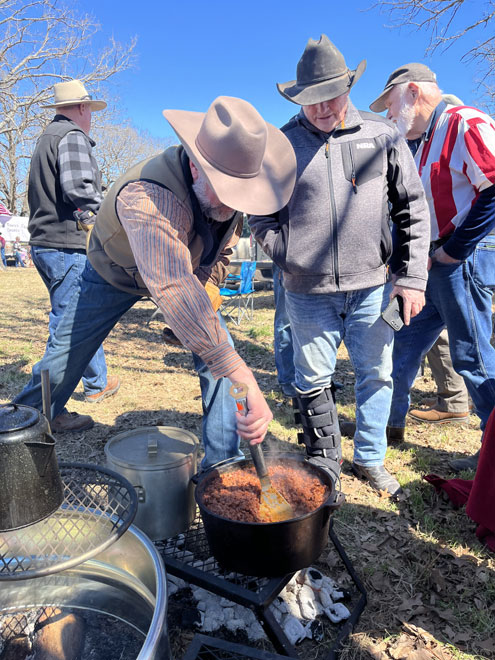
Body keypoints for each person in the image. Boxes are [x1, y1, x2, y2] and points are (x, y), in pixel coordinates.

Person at [14, 96, 297, 468]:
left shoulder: (229, 202)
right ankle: (16, 433)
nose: (232, 205)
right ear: (196, 168)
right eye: (225, 191)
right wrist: (242, 371)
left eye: (240, 194)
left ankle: (222, 465)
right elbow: (172, 285)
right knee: (67, 355)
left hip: (181, 274)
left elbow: (219, 256)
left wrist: (204, 302)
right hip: (113, 270)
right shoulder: (147, 196)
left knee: (219, 359)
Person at [249, 36, 430, 498]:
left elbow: (412, 206)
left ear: (348, 87)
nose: (322, 108)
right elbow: (259, 212)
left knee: (377, 373)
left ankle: (369, 459)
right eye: (312, 99)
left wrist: (411, 277)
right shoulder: (282, 143)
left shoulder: (382, 134)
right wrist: (287, 251)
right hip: (306, 292)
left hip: (372, 284)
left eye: (331, 95)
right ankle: (323, 464)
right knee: (312, 380)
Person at [370, 63, 495, 471]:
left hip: (463, 259)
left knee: (472, 357)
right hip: (435, 265)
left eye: (389, 104)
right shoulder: (422, 144)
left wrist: (454, 251)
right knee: (400, 343)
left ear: (411, 92)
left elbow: (493, 187)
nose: (388, 115)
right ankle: (384, 426)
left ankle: (493, 454)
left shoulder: (464, 122)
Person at [27, 80, 120, 432]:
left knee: (73, 321)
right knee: (67, 331)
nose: (91, 118)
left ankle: (94, 384)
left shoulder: (47, 138)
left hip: (48, 244)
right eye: (90, 111)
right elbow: (80, 189)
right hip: (65, 246)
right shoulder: (72, 137)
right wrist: (111, 217)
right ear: (82, 108)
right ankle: (39, 413)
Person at [272, 263, 296, 397]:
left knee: (317, 324)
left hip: (315, 266)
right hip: (286, 262)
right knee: (285, 325)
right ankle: (288, 380)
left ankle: (322, 378)